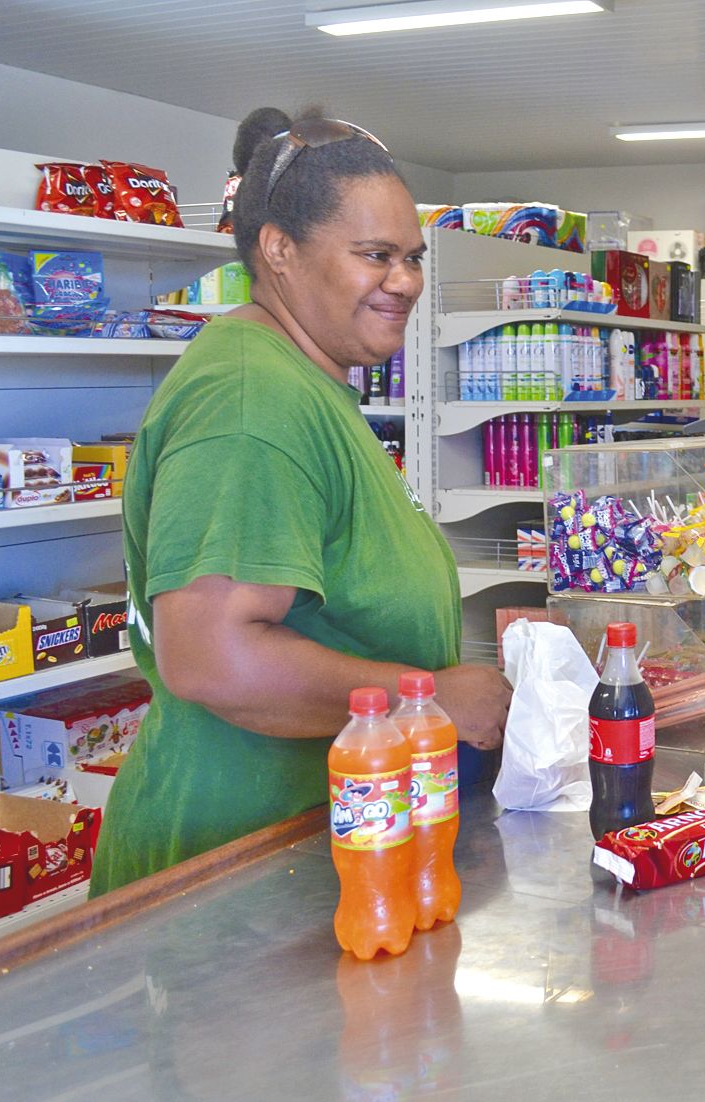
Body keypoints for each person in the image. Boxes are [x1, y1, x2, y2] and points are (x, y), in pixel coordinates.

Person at [92, 108, 512, 895]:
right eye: (376, 256)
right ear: (279, 251)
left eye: (413, 258)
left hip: (320, 847)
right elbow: (212, 657)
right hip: (225, 876)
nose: (406, 281)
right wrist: (434, 701)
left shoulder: (305, 384)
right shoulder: (251, 401)